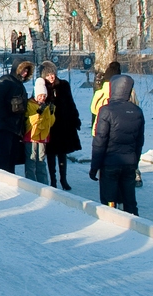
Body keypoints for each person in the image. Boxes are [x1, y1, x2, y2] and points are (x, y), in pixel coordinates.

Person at [89, 75, 144, 215]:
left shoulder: (106, 110)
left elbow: (100, 141)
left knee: (109, 199)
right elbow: (139, 141)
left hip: (110, 163)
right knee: (129, 198)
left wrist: (95, 166)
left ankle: (112, 222)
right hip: (129, 162)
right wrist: (135, 162)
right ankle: (134, 222)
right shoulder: (137, 111)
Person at [41, 61, 80, 191]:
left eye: (52, 74)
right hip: (49, 126)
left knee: (62, 153)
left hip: (63, 125)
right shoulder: (42, 87)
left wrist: (75, 118)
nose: (51, 77)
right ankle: (53, 180)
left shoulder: (63, 85)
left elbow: (70, 102)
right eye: (48, 75)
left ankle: (63, 179)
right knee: (51, 154)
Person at [0, 59, 35, 174]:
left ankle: (10, 178)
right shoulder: (6, 80)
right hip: (6, 125)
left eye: (27, 71)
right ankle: (0, 177)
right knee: (4, 155)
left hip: (17, 127)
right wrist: (6, 115)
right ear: (17, 68)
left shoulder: (19, 84)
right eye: (23, 70)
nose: (25, 73)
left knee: (12, 157)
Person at [24, 78, 55, 185]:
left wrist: (50, 112)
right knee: (31, 159)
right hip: (31, 136)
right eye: (40, 95)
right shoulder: (30, 104)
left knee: (41, 160)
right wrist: (39, 113)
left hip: (42, 137)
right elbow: (30, 120)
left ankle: (43, 183)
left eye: (44, 96)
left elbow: (50, 123)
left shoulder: (46, 106)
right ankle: (31, 183)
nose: (42, 98)